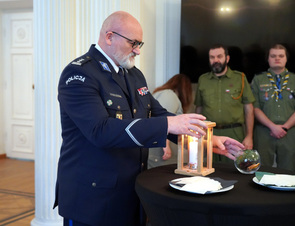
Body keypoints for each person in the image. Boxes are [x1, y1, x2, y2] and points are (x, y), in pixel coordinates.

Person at [53, 11, 245, 226]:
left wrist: (208, 141)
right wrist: (169, 124)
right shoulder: (79, 74)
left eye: (139, 44)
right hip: (92, 198)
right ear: (109, 37)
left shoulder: (133, 74)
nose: (137, 50)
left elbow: (158, 114)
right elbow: (101, 131)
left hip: (130, 193)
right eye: (133, 43)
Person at [194, 44, 255, 163]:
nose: (215, 60)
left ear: (227, 58)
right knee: (209, 169)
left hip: (234, 132)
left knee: (235, 168)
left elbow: (249, 110)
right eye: (212, 57)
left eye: (219, 56)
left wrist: (249, 136)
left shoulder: (240, 78)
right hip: (210, 133)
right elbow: (199, 109)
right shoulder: (203, 80)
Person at [251, 44, 295, 171]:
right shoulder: (258, 79)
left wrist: (284, 127)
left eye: (281, 56)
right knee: (261, 170)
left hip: (288, 132)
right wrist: (272, 127)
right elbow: (255, 108)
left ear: (286, 59)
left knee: (290, 171)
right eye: (273, 56)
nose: (277, 58)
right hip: (264, 132)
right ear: (268, 59)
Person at [148, 74, 193, 169]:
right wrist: (165, 144)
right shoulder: (169, 95)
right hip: (159, 155)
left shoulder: (163, 94)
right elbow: (164, 121)